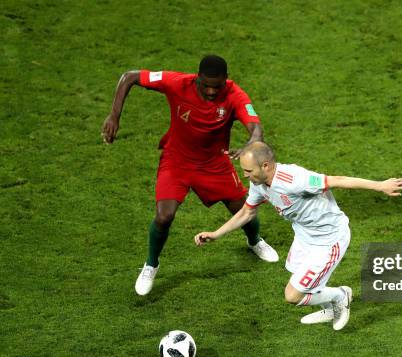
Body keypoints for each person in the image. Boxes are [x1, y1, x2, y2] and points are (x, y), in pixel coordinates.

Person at [101, 55, 279, 296]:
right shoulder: (177, 83)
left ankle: (254, 240)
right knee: (164, 216)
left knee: (244, 208)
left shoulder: (235, 95)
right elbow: (130, 77)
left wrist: (251, 144)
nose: (211, 91)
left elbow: (256, 129)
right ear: (197, 78)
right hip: (177, 162)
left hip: (214, 164)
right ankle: (151, 264)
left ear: (226, 80)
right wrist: (114, 115)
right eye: (205, 84)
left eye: (217, 86)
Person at [194, 142, 402, 330]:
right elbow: (247, 211)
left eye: (248, 170)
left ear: (265, 166)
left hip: (329, 239)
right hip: (304, 236)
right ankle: (330, 306)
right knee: (302, 277)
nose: (245, 175)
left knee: (293, 295)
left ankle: (340, 297)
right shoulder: (258, 183)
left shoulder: (295, 179)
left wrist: (380, 186)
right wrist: (216, 234)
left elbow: (336, 180)